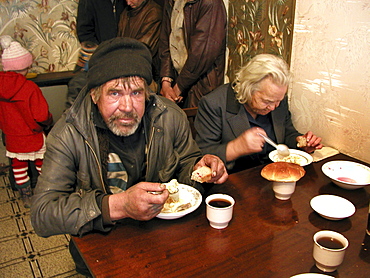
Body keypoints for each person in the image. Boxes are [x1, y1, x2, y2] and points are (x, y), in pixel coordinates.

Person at [30, 38, 228, 276]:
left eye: (136, 92)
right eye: (114, 93)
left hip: (160, 237)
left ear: (147, 93)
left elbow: (187, 163)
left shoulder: (170, 117)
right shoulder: (69, 134)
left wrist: (201, 170)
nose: (127, 106)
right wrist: (120, 205)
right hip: (101, 244)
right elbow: (43, 214)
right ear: (94, 95)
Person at [194, 54, 323, 173]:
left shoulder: (277, 99)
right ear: (247, 88)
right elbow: (201, 155)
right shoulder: (214, 104)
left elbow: (287, 133)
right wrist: (236, 147)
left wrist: (300, 142)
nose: (273, 107)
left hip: (274, 173)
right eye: (267, 101)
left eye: (278, 101)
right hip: (236, 179)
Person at [0, 35, 53, 208]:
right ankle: (46, 194)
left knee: (18, 167)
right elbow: (41, 115)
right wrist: (48, 123)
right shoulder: (30, 88)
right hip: (32, 135)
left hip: (12, 138)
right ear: (24, 66)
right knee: (41, 164)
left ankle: (26, 196)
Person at [158, 0, 227, 108]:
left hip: (201, 86)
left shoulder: (210, 3)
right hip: (177, 83)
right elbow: (165, 41)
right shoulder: (171, 2)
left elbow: (202, 54)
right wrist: (166, 81)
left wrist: (177, 89)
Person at [117, 0, 162, 87]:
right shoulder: (126, 13)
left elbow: (143, 49)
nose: (128, 3)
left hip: (143, 72)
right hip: (126, 69)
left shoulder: (154, 13)